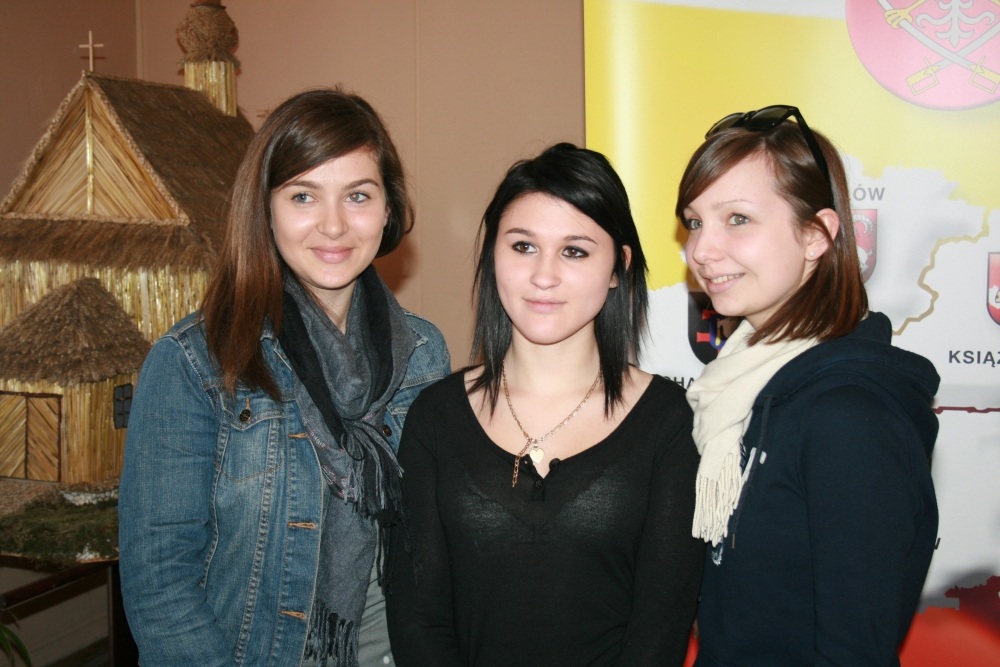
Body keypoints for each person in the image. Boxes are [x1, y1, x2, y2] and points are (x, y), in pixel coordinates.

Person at [118, 88, 450, 667]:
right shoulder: (196, 364)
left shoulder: (423, 354)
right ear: (265, 210)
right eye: (303, 196)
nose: (334, 225)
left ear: (388, 209)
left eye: (358, 195)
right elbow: (161, 587)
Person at [386, 142, 704, 666]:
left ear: (618, 266)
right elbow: (418, 619)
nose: (544, 275)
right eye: (523, 246)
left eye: (575, 251)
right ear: (493, 255)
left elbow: (660, 632)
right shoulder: (435, 417)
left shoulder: (668, 421)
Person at [677, 105, 939, 666]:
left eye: (737, 219)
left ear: (816, 236)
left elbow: (855, 650)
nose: (701, 250)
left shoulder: (849, 414)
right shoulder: (745, 383)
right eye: (694, 222)